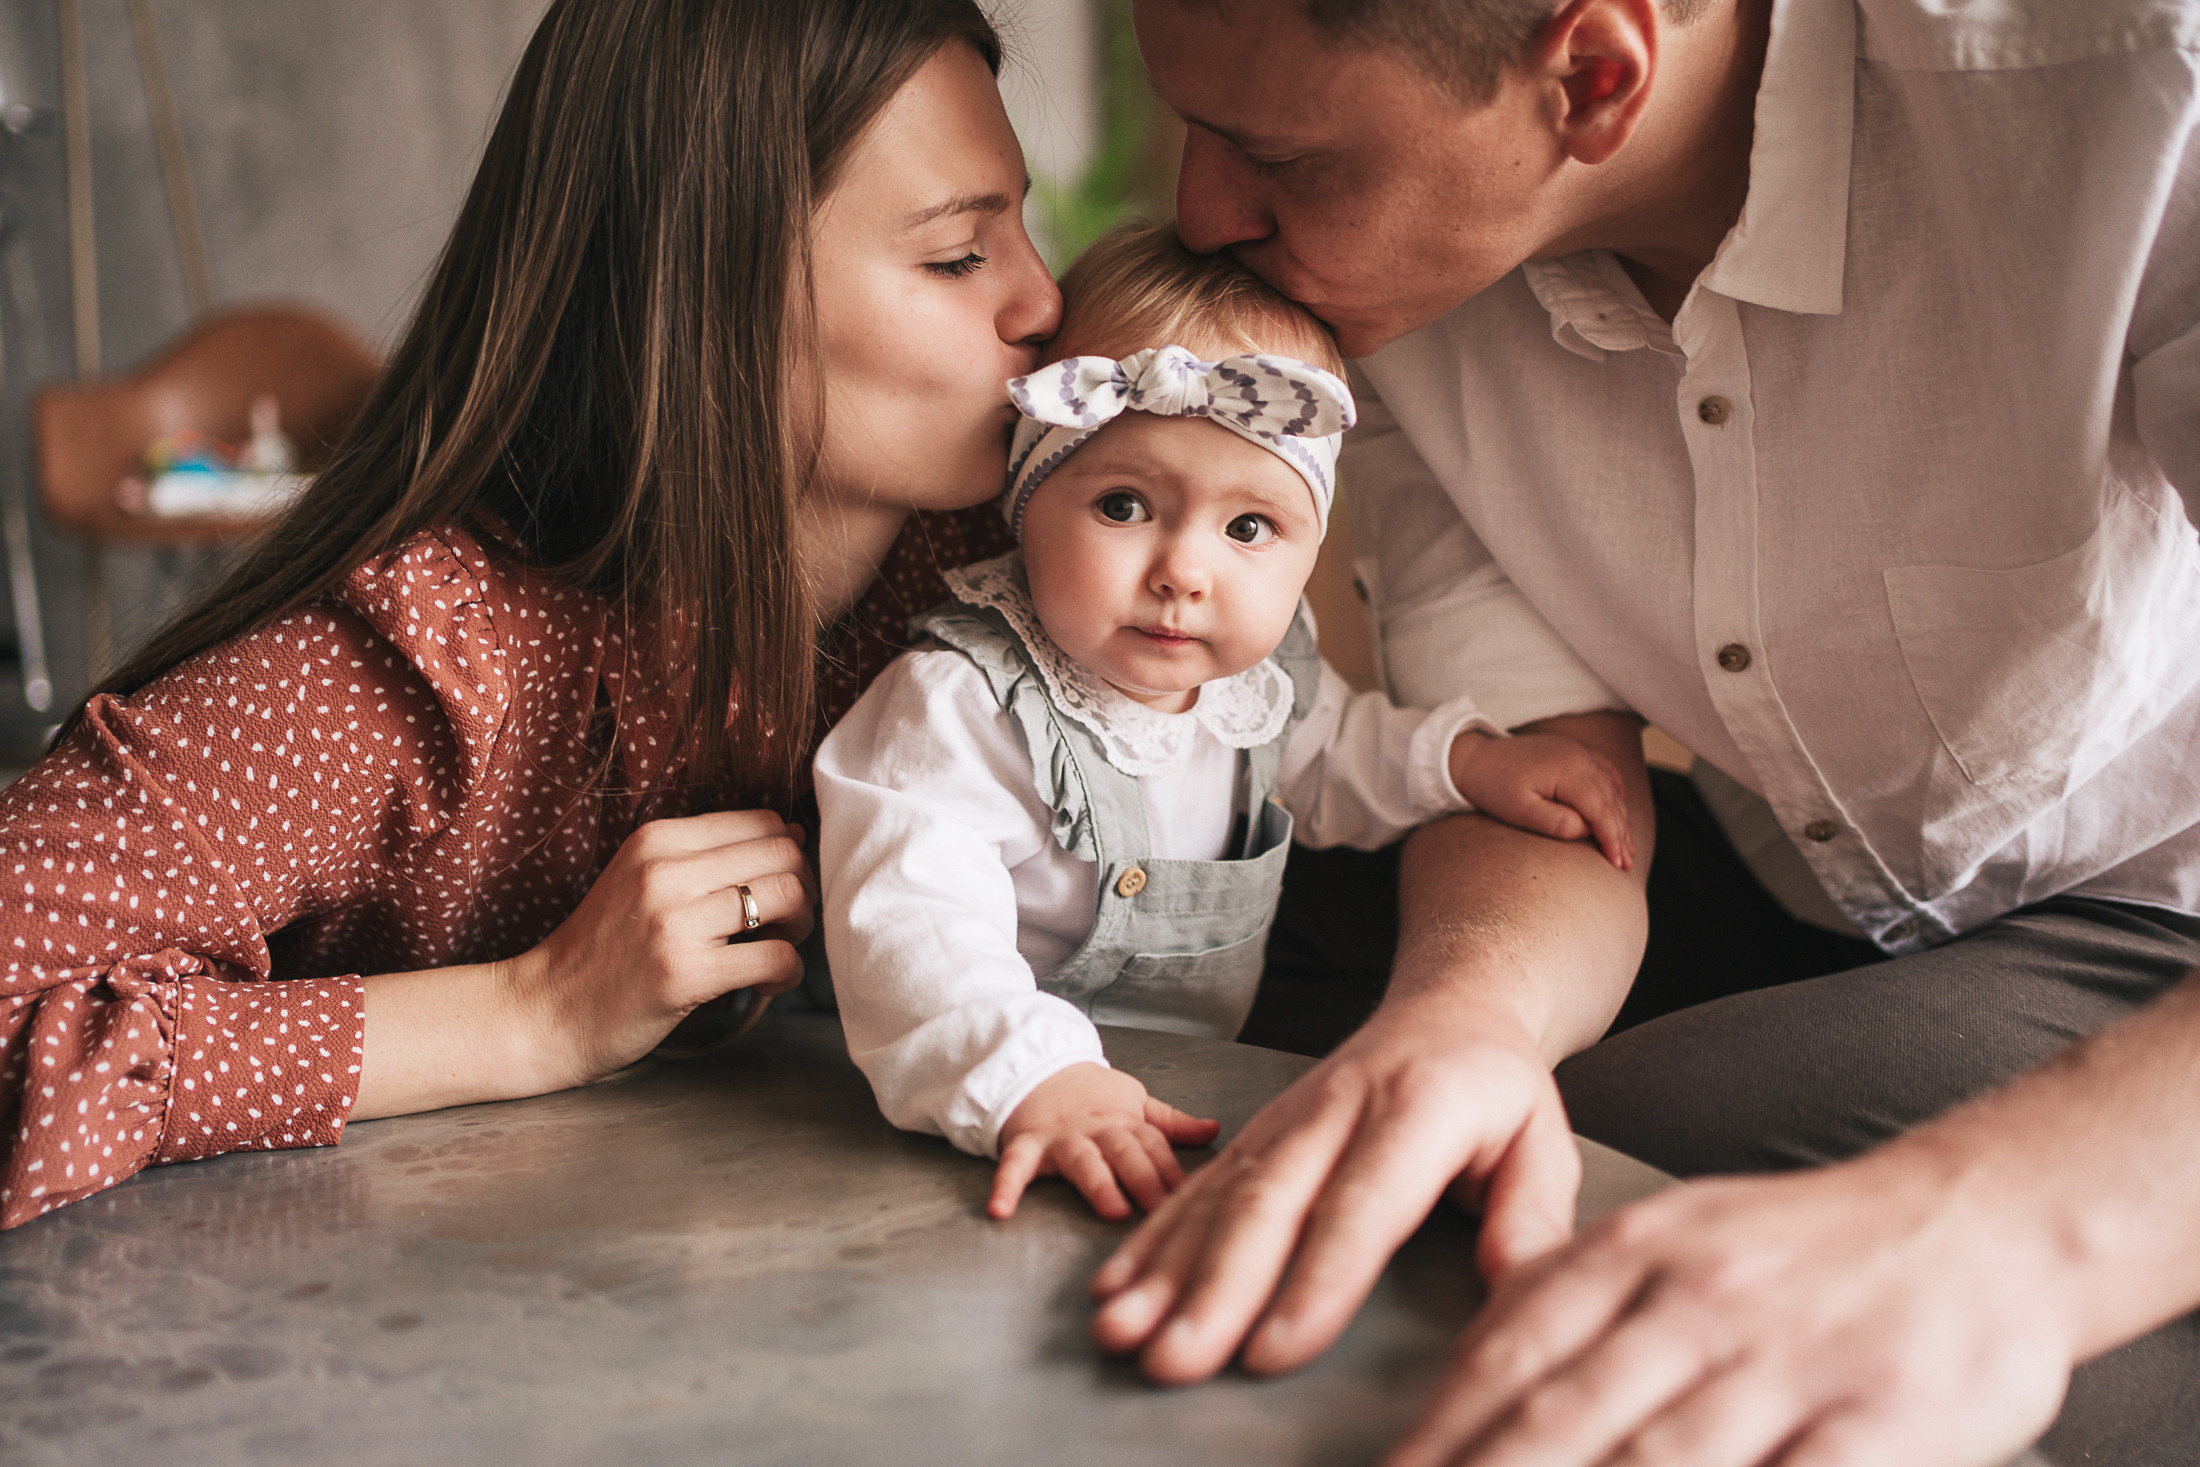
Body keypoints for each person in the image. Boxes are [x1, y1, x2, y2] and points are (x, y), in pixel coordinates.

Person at [1089, 0, 2200, 1464]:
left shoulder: (2134, 90)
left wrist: (1996, 1230)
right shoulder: (1393, 279)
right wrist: (1468, 1020)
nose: (1203, 210)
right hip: (1811, 892)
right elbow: (1551, 766)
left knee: (1640, 1160)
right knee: (1260, 1005)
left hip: (2151, 917)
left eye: (1277, 155)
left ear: (1593, 79)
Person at [0, 0, 1061, 1231]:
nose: (1043, 298)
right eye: (957, 255)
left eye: (1023, 228)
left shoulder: (1028, 559)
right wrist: (531, 1010)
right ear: (699, 287)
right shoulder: (417, 665)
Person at [814, 223, 1632, 1226]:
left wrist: (1464, 765)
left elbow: (1333, 754)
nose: (1181, 573)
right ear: (1027, 508)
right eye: (1122, 505)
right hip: (968, 1092)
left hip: (1171, 1096)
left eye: (1248, 528)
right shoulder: (960, 702)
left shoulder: (1261, 679)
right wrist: (1031, 1078)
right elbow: (910, 926)